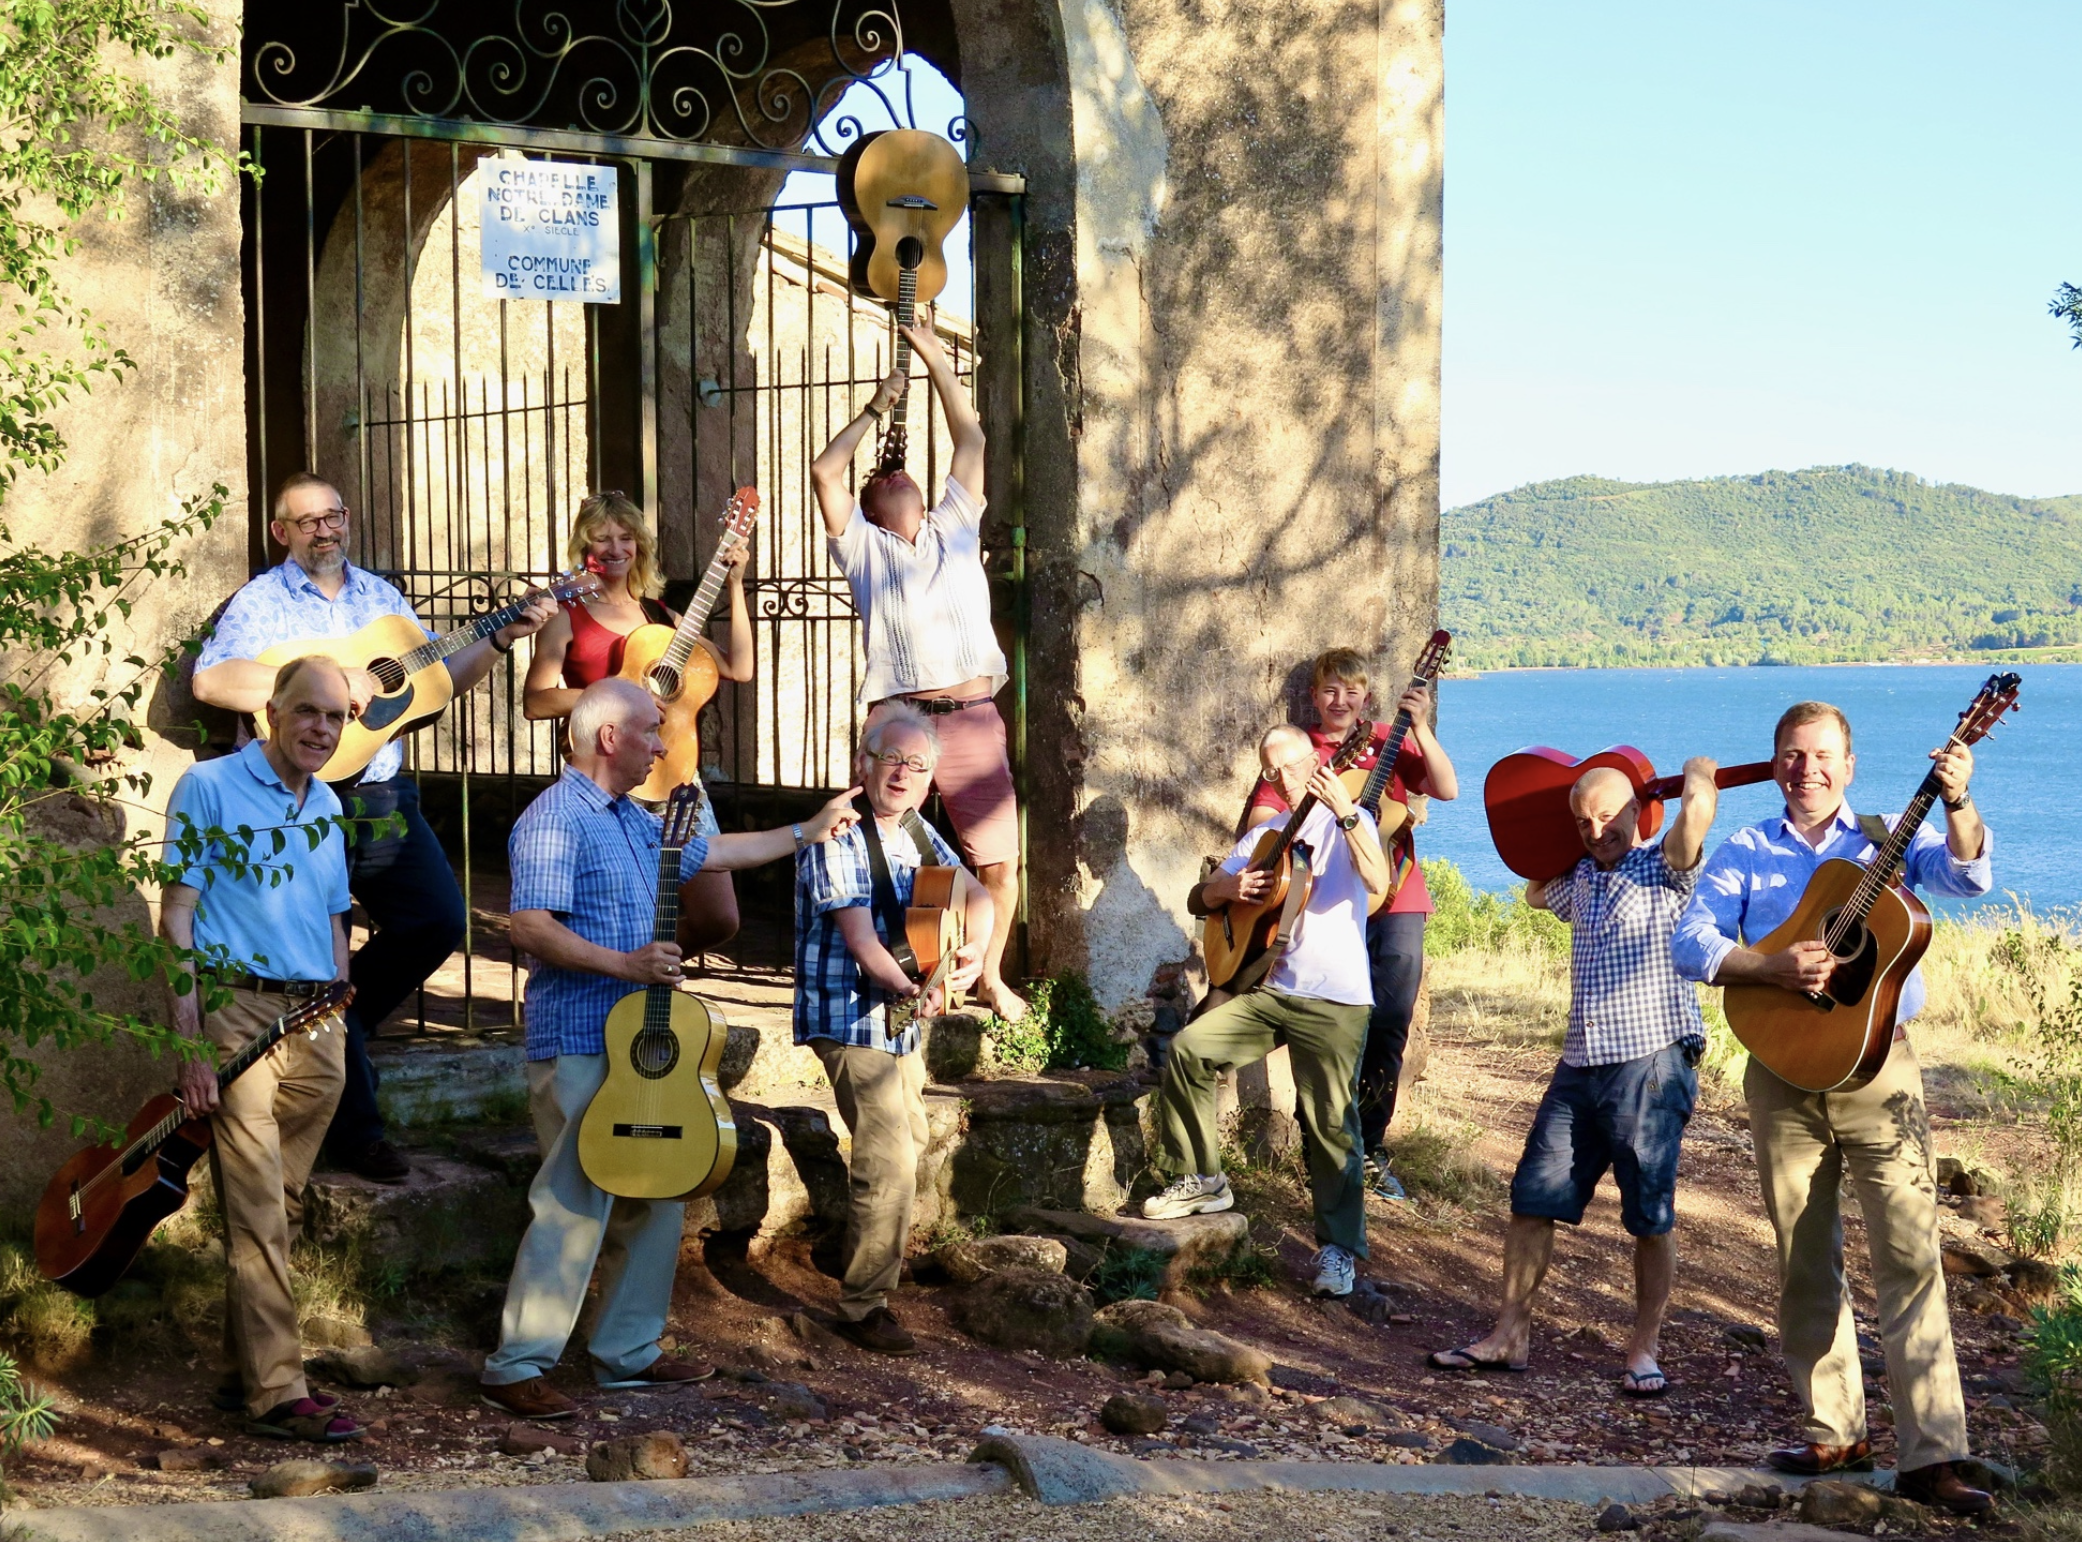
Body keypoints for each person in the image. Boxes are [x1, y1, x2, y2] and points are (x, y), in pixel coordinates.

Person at [481, 678, 859, 1420]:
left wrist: (808, 830)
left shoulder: (631, 819)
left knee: (655, 1191)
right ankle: (516, 1365)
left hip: (642, 1048)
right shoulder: (554, 819)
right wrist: (624, 965)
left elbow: (713, 850)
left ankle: (628, 1354)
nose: (663, 744)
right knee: (575, 1202)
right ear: (610, 738)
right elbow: (528, 927)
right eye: (652, 731)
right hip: (583, 1039)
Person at [1671, 701, 1994, 1516]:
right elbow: (1690, 941)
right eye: (1790, 754)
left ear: (1848, 765)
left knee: (1911, 1260)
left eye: (1821, 755)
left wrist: (1957, 800)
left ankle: (1933, 1456)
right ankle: (1836, 1432)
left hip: (1882, 1078)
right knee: (1803, 1257)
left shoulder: (1887, 841)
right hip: (1782, 1073)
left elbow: (1969, 876)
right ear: (1775, 762)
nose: (1804, 768)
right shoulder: (1745, 849)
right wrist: (1768, 965)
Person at [192, 472, 556, 1184]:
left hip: (380, 794)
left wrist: (502, 637)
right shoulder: (262, 602)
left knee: (438, 919)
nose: (324, 531)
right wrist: (322, 682)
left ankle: (343, 1020)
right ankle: (359, 1133)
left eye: (333, 517)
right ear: (282, 533)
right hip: (294, 803)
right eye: (307, 522)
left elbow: (432, 679)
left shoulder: (381, 600)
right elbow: (212, 682)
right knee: (319, 954)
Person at [1428, 758, 1717, 1398]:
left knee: (1648, 1214)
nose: (1596, 829)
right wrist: (1567, 839)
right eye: (1583, 820)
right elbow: (1534, 889)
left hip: (1650, 1061)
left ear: (1638, 810)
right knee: (1533, 1199)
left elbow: (1695, 817)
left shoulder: (1664, 869)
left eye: (1609, 815)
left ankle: (1643, 1349)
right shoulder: (1580, 878)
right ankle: (1510, 1335)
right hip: (1579, 1063)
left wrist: (1698, 775)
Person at [160, 656, 364, 1440]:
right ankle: (280, 1393)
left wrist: (339, 1003)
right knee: (256, 1213)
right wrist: (190, 1049)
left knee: (281, 1204)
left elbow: (336, 917)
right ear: (270, 711)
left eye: (335, 717)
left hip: (317, 1022)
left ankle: (237, 1372)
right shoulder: (209, 788)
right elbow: (176, 922)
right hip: (237, 1013)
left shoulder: (331, 804)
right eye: (307, 711)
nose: (320, 728)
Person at [810, 319, 1025, 1022]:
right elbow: (823, 471)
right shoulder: (863, 551)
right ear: (871, 506)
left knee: (998, 858)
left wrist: (934, 358)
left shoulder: (955, 524)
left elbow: (971, 439)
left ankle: (987, 975)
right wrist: (877, 407)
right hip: (902, 720)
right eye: (883, 477)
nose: (896, 474)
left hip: (970, 717)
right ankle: (886, 973)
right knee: (878, 852)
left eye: (901, 472)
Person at [1145, 724, 1389, 1298]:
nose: (1283, 778)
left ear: (1319, 760)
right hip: (1271, 990)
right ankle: (1203, 1177)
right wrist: (1226, 892)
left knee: (1330, 1123)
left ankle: (1338, 1249)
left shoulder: (1350, 820)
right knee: (1189, 1051)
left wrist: (1348, 813)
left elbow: (1378, 883)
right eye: (1271, 770)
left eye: (1292, 765)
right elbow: (1199, 896)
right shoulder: (1269, 833)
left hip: (1336, 1000)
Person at [792, 704, 991, 1354]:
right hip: (849, 1013)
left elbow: (977, 896)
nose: (903, 774)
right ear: (864, 763)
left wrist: (973, 956)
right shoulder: (838, 832)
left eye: (917, 765)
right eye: (892, 760)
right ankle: (862, 1306)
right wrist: (915, 988)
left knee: (909, 1134)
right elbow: (859, 940)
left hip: (899, 1012)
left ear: (932, 778)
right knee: (890, 1157)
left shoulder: (917, 832)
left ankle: (847, 1250)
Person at [1247, 647, 1458, 1200]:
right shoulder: (1298, 753)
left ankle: (1372, 1146)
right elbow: (1260, 823)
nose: (1340, 702)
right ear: (1314, 698)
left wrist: (1422, 729)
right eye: (1328, 691)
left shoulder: (1389, 737)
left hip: (1398, 897)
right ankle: (1321, 1144)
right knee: (1318, 1020)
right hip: (1323, 905)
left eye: (1352, 691)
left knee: (1389, 1022)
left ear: (1367, 696)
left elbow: (1447, 788)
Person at [523, 490, 753, 952]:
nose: (615, 549)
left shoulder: (659, 614)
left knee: (719, 919)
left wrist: (734, 585)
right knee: (624, 904)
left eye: (625, 537)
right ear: (584, 546)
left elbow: (738, 668)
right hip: (609, 780)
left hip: (675, 775)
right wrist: (616, 695)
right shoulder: (566, 617)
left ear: (639, 545)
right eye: (601, 538)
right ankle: (620, 976)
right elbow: (535, 701)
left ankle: (641, 956)